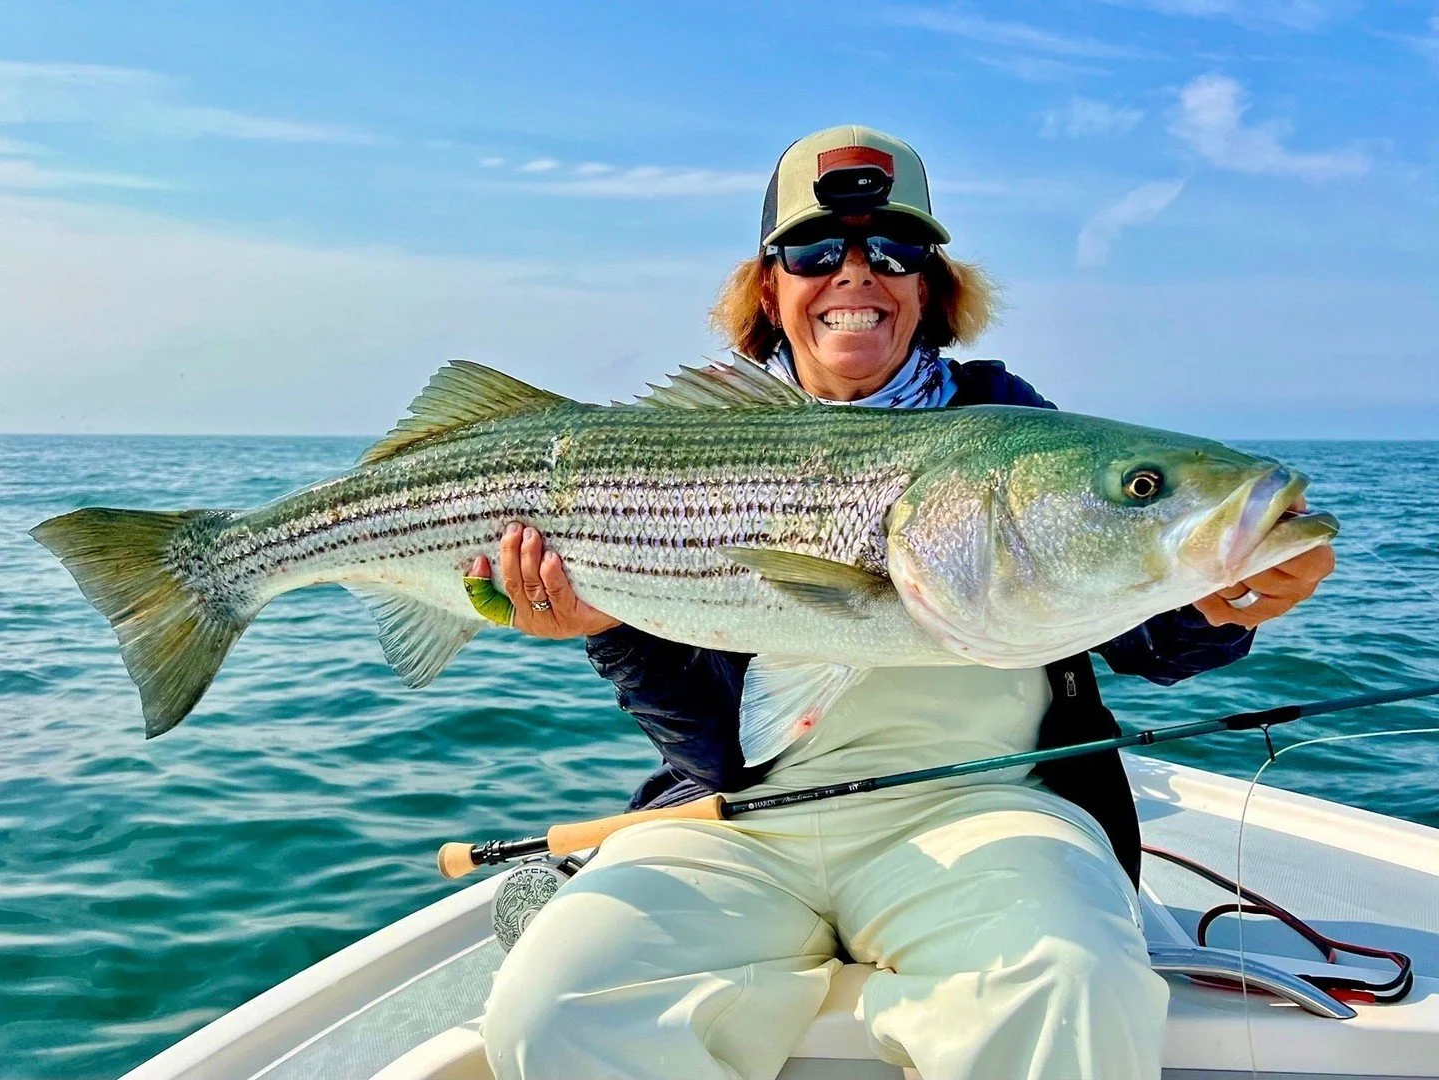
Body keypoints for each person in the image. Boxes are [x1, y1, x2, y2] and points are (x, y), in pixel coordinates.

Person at [467, 126, 1335, 1080]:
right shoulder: (680, 452)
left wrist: (1230, 602)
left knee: (1065, 981)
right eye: (813, 250)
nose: (855, 273)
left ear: (930, 288)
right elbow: (714, 750)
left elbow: (1139, 634)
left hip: (983, 808)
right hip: (736, 821)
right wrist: (608, 631)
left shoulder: (1009, 426)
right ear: (770, 287)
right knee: (552, 1007)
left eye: (895, 250)